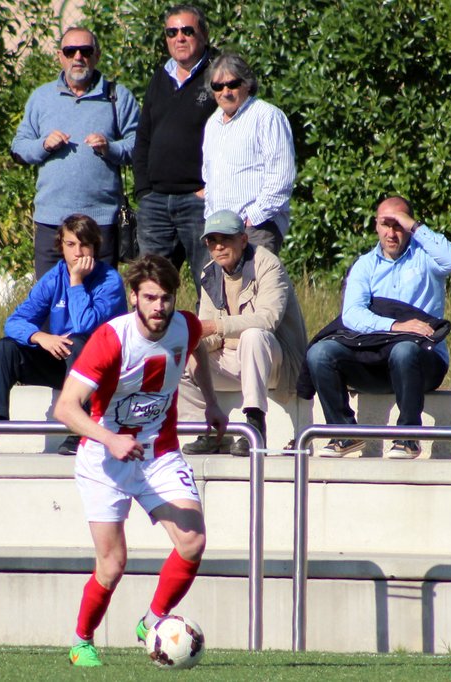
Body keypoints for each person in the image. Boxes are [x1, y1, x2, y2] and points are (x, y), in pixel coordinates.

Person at [52, 254, 226, 667]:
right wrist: (110, 438)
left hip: (158, 453)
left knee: (193, 541)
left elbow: (196, 350)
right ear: (134, 297)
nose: (158, 307)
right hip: (104, 459)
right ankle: (81, 642)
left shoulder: (184, 326)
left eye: (165, 298)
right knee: (112, 565)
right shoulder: (112, 339)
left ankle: (152, 621)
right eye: (149, 297)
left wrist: (212, 403)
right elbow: (66, 407)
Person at [0, 214, 127, 456]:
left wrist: (77, 282)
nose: (78, 253)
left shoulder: (109, 280)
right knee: (7, 347)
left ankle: (81, 431)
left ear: (95, 247)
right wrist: (40, 337)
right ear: (61, 246)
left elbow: (84, 324)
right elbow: (14, 322)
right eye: (70, 244)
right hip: (66, 364)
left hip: (101, 368)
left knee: (79, 341)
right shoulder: (55, 277)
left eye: (84, 245)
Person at [304, 196, 451, 459]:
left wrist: (414, 226)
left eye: (398, 225)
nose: (391, 232)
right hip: (375, 362)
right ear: (376, 225)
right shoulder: (365, 265)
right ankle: (344, 433)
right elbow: (352, 315)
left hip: (422, 362)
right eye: (386, 224)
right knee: (319, 353)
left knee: (404, 350)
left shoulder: (426, 259)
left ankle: (408, 438)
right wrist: (396, 325)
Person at [11, 26, 139, 278]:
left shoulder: (117, 96)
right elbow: (19, 147)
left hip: (100, 221)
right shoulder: (41, 97)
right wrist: (43, 145)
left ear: (97, 55)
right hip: (51, 221)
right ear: (60, 56)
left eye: (85, 51)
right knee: (51, 297)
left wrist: (110, 148)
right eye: (70, 51)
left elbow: (140, 145)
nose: (78, 57)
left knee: (99, 297)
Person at [178, 210, 306, 456]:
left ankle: (255, 425)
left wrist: (215, 326)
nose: (219, 247)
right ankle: (212, 430)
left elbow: (268, 319)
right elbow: (210, 334)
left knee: (253, 335)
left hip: (275, 362)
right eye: (212, 241)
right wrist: (191, 339)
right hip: (230, 357)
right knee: (178, 355)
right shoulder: (209, 272)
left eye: (226, 239)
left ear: (243, 240)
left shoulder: (268, 264)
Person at [133, 5, 217, 292]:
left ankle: (210, 326)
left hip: (200, 201)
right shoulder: (161, 77)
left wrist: (212, 188)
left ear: (203, 34)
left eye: (187, 31)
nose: (179, 38)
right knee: (151, 287)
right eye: (172, 32)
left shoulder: (219, 74)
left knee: (211, 284)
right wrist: (143, 191)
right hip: (156, 203)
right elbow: (143, 136)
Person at [201, 52, 295, 255]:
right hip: (219, 230)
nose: (225, 92)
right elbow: (208, 178)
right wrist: (211, 219)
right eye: (218, 86)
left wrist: (252, 217)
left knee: (256, 277)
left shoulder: (267, 116)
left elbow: (281, 177)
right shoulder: (212, 124)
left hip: (256, 228)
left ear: (247, 84)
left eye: (232, 84)